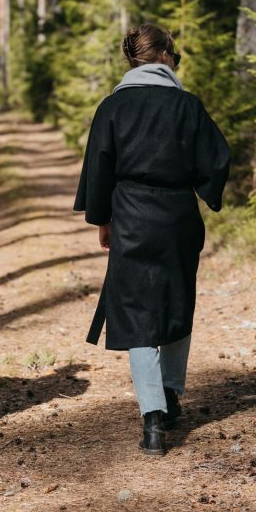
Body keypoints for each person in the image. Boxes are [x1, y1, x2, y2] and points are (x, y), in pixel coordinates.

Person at [74, 24, 231, 456]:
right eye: (174, 54)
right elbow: (217, 159)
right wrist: (204, 190)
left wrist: (102, 219)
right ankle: (172, 391)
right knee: (178, 301)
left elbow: (99, 166)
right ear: (164, 55)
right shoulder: (187, 106)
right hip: (178, 216)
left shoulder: (112, 107)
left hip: (131, 217)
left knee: (137, 313)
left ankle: (152, 420)